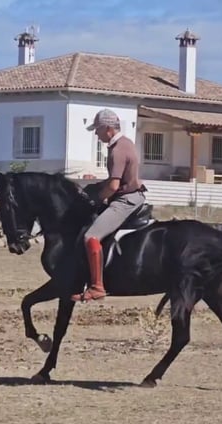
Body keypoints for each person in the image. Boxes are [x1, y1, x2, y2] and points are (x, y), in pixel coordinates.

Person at [72, 109, 146, 302]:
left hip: (125, 200)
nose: (96, 133)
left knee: (91, 236)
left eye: (97, 129)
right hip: (132, 194)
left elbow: (113, 186)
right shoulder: (125, 143)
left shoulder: (118, 150)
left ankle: (97, 286)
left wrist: (98, 199)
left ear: (108, 129)